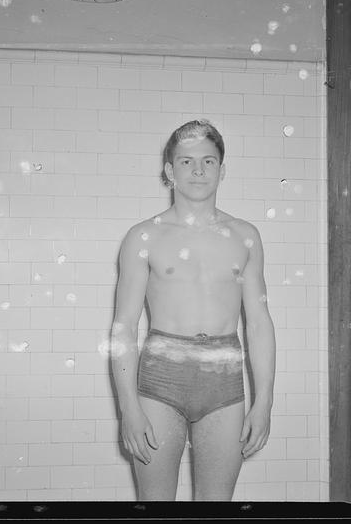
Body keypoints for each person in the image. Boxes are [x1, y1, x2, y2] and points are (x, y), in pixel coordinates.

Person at [111, 119, 275, 500]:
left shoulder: (246, 236)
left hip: (225, 379)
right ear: (169, 171)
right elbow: (123, 327)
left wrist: (264, 400)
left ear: (222, 169)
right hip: (161, 379)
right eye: (186, 162)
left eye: (208, 161)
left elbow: (259, 323)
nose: (198, 170)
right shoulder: (143, 236)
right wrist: (128, 407)